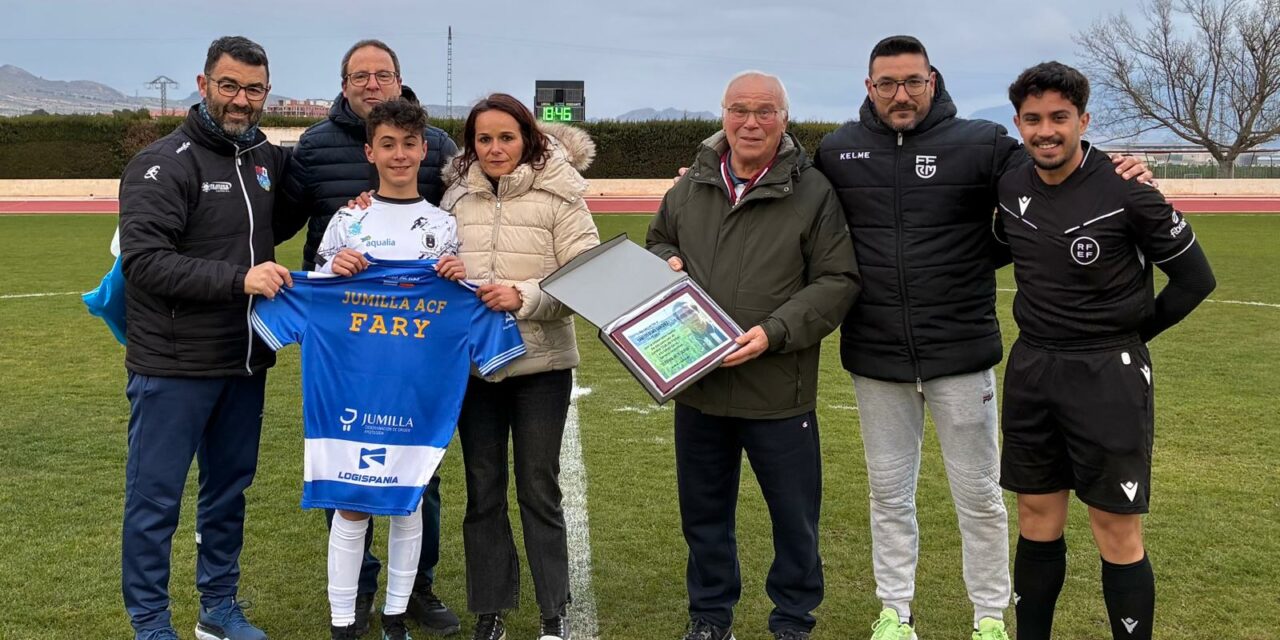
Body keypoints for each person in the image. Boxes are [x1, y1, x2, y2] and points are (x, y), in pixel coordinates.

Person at [812, 36, 1151, 640]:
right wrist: (703, 165)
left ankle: (990, 617)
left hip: (962, 352)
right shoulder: (838, 151)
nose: (902, 94)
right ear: (869, 88)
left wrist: (1119, 167)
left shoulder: (980, 143)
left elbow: (1055, 162)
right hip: (875, 355)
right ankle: (895, 612)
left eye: (914, 81)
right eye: (887, 83)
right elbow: (779, 184)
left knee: (981, 497)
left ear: (933, 80)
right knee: (889, 497)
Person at [996, 61, 1214, 640]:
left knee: (1115, 528)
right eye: (1034, 119)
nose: (1047, 131)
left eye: (1060, 118)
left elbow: (1196, 280)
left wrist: (1131, 338)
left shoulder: (1127, 188)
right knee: (1037, 520)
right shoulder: (1011, 181)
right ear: (1018, 124)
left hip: (1107, 375)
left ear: (1083, 120)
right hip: (1033, 368)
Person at [647, 71, 860, 640]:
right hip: (699, 385)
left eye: (764, 111)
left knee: (794, 521)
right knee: (705, 517)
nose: (751, 122)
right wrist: (666, 262)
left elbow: (838, 280)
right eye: (739, 110)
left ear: (783, 119)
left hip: (779, 390)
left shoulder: (813, 191)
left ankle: (792, 618)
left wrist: (773, 332)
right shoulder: (690, 185)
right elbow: (659, 241)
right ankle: (710, 616)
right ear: (723, 115)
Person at [277, 38, 460, 636]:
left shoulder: (442, 222)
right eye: (361, 74)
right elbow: (312, 272)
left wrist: (462, 280)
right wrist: (334, 270)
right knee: (348, 499)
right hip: (350, 373)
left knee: (414, 495)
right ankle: (345, 613)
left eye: (410, 145)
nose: (402, 154)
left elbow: (462, 282)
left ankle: (405, 606)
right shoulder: (343, 211)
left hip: (415, 379)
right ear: (369, 151)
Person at [116, 35, 292, 640]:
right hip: (173, 365)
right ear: (204, 84)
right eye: (229, 85)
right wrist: (240, 278)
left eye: (253, 88)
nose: (241, 99)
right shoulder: (164, 162)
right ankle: (150, 625)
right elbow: (145, 261)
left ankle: (218, 608)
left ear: (266, 92)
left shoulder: (265, 159)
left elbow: (295, 212)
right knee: (155, 503)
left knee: (228, 495)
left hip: (244, 362)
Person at [439, 93, 600, 640]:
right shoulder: (454, 196)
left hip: (541, 367)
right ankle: (490, 610)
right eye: (484, 139)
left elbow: (587, 276)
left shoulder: (562, 195)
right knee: (483, 489)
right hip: (476, 369)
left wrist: (524, 296)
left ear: (527, 136)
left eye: (506, 137)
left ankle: (553, 609)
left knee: (538, 486)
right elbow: (431, 263)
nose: (495, 148)